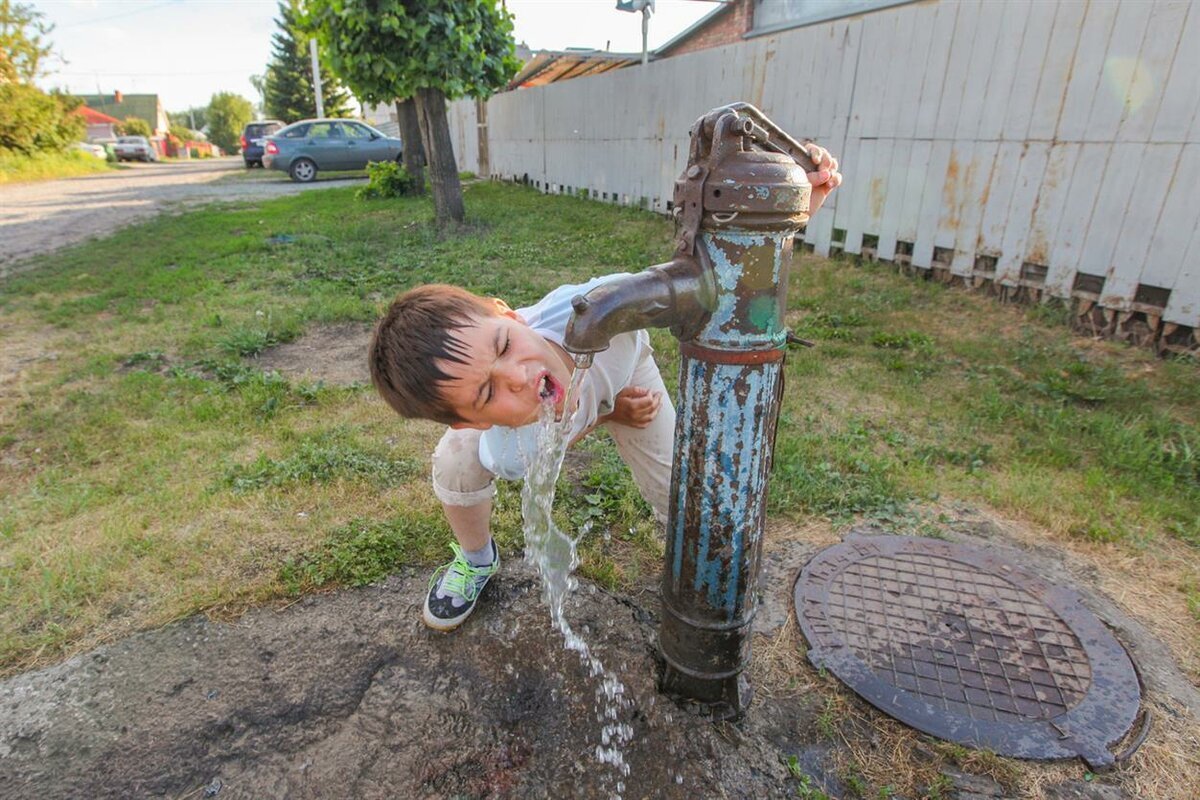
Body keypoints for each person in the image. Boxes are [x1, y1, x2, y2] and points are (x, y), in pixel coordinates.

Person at [368, 145, 842, 632]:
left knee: (681, 489)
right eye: (489, 393)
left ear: (507, 313)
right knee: (456, 462)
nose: (520, 376)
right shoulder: (510, 450)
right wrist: (609, 415)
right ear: (477, 419)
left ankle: (709, 575)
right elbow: (557, 428)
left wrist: (789, 212)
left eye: (505, 344)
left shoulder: (597, 306)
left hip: (625, 372)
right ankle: (476, 558)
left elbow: (712, 280)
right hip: (592, 407)